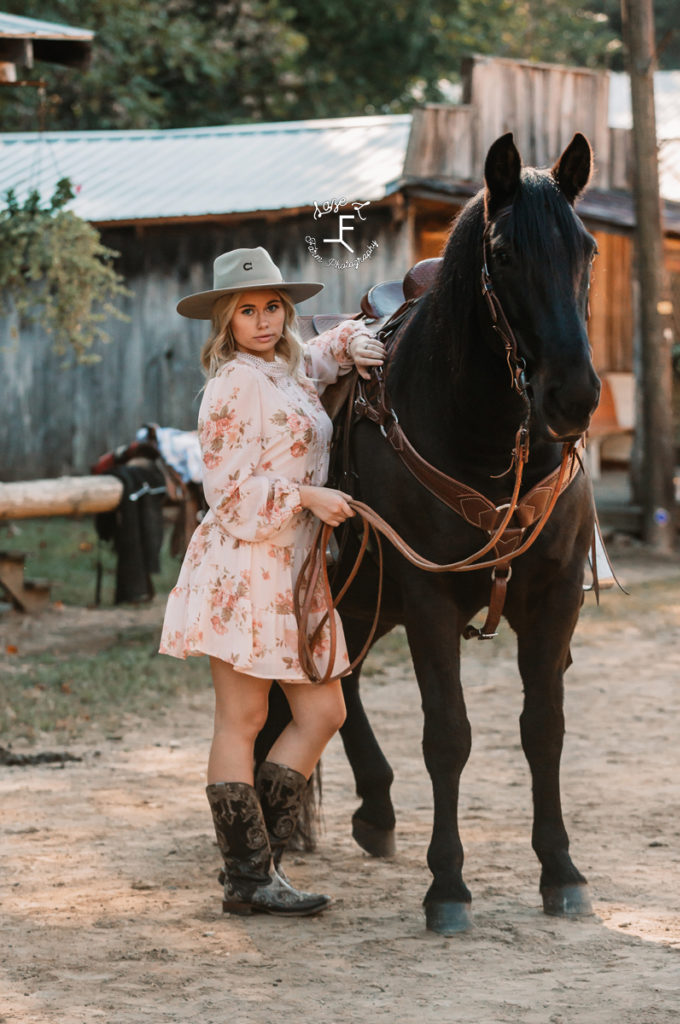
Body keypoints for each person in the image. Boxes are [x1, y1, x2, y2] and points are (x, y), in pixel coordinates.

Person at [159, 247, 385, 917]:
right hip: (245, 564)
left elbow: (323, 357)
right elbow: (227, 492)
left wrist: (355, 338)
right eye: (247, 310)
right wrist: (308, 500)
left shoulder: (285, 372)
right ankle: (249, 876)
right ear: (226, 321)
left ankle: (263, 867)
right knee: (244, 717)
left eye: (272, 308)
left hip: (295, 567)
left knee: (324, 712)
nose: (262, 320)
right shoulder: (232, 384)